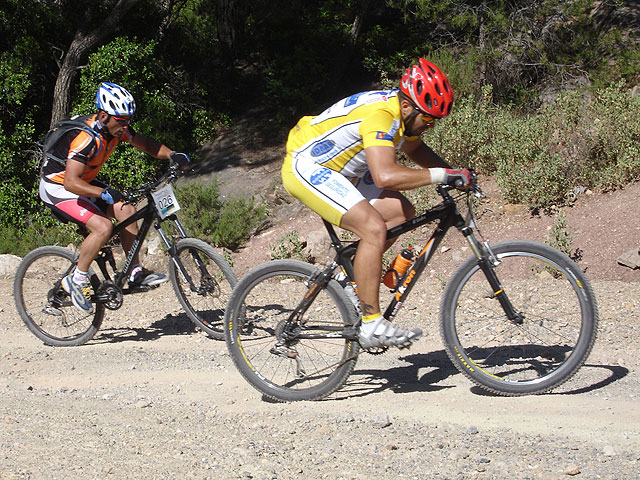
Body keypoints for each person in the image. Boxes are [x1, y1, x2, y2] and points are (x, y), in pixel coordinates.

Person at [281, 58, 471, 350]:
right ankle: (371, 324)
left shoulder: (402, 111)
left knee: (401, 211)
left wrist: (455, 174)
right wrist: (441, 175)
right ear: (408, 106)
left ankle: (350, 278)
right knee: (372, 228)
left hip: (344, 169)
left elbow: (414, 147)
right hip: (307, 165)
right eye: (429, 119)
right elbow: (384, 176)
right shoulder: (383, 115)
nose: (430, 126)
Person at [39, 82, 191, 315]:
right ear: (103, 115)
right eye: (121, 120)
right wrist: (102, 193)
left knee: (126, 209)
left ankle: (135, 272)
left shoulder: (116, 129)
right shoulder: (86, 138)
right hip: (58, 186)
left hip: (83, 183)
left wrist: (172, 154)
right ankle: (77, 280)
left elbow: (148, 145)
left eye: (128, 120)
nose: (126, 125)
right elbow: (70, 182)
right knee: (102, 227)